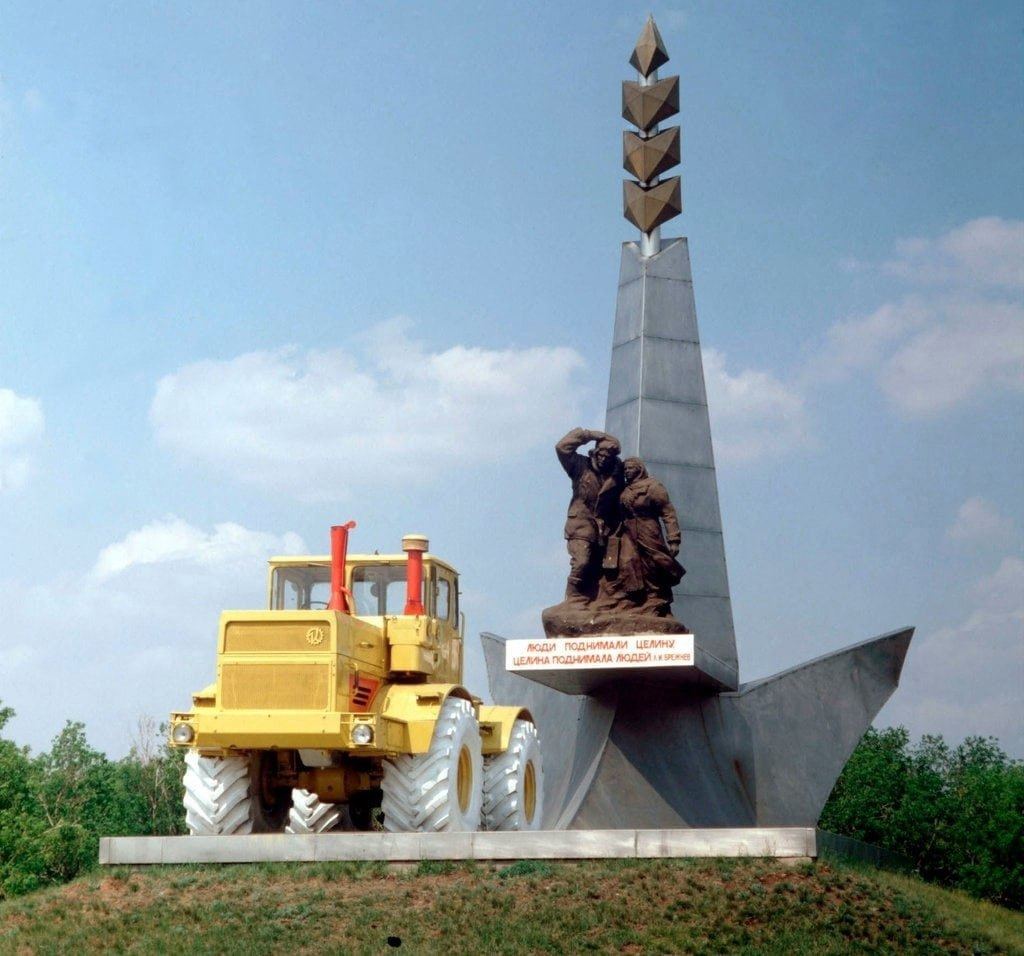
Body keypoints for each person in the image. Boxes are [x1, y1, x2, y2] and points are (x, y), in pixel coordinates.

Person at [555, 427, 624, 603]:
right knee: (581, 561)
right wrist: (592, 435)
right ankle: (572, 598)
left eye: (608, 457)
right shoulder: (579, 466)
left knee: (595, 570)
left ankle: (589, 602)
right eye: (601, 454)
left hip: (603, 529)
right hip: (580, 523)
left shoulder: (616, 477)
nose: (603, 459)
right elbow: (562, 447)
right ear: (594, 452)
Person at [615, 456, 684, 613]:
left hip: (648, 529)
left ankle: (657, 598)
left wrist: (674, 539)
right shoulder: (624, 489)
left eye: (630, 468)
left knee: (653, 563)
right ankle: (634, 598)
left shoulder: (653, 487)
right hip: (627, 530)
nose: (627, 471)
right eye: (625, 469)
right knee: (627, 562)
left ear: (639, 469)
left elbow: (668, 513)